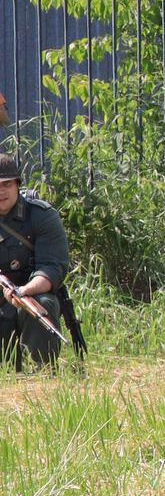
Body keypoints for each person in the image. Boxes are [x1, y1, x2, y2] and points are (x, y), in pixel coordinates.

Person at [0, 154, 74, 368]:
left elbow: (52, 268)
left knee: (41, 304)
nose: (1, 192)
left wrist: (23, 292)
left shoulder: (41, 215)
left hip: (29, 294)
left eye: (7, 184)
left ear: (17, 185)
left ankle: (40, 369)